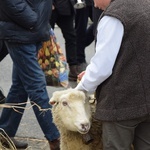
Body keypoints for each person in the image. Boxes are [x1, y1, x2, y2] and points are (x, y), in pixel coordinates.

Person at [75, 0, 150, 149]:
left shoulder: (114, 16)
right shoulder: (145, 4)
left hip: (121, 104)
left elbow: (102, 67)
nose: (94, 4)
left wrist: (81, 89)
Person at [0, 0, 60, 150]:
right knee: (36, 86)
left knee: (20, 87)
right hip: (23, 32)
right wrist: (34, 20)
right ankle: (55, 138)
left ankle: (4, 132)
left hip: (32, 31)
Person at [50, 0, 79, 81]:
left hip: (66, 6)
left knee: (71, 37)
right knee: (46, 38)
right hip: (49, 7)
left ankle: (73, 68)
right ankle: (46, 69)